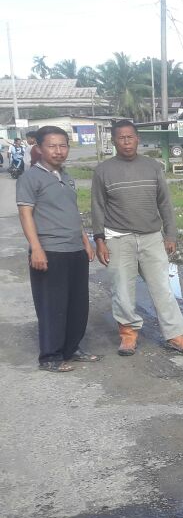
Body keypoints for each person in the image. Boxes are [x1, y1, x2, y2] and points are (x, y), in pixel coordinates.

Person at [91, 120, 183, 356]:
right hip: (118, 238)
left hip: (151, 237)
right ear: (114, 140)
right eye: (121, 138)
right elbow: (97, 207)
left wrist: (170, 234)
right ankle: (128, 334)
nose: (126, 142)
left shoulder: (153, 167)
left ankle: (175, 334)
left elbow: (165, 203)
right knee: (122, 289)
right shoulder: (103, 171)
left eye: (130, 137)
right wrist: (99, 241)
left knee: (162, 288)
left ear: (138, 139)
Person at [15, 126, 100, 372]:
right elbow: (25, 213)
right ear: (39, 149)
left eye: (63, 145)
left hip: (75, 250)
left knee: (77, 304)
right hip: (50, 250)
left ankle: (71, 349)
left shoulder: (67, 176)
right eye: (52, 146)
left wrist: (85, 241)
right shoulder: (30, 178)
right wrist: (36, 248)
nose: (58, 151)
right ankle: (50, 357)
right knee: (52, 305)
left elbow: (72, 213)